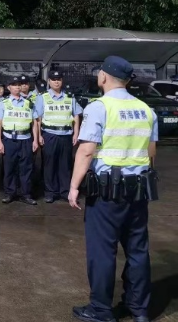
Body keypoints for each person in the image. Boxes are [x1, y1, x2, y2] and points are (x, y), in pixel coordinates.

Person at [69, 56, 157, 322]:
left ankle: (100, 309)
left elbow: (86, 151)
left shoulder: (100, 107)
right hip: (138, 191)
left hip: (107, 194)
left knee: (103, 251)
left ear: (104, 77)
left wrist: (74, 187)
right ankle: (139, 309)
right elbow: (151, 154)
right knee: (138, 250)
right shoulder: (146, 109)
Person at [35, 70, 83, 203]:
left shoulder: (69, 97)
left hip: (66, 135)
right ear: (49, 81)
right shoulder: (43, 97)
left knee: (65, 165)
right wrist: (39, 136)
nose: (56, 81)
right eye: (53, 79)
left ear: (62, 81)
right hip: (49, 134)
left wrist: (76, 132)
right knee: (49, 165)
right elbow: (37, 118)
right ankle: (50, 192)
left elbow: (76, 114)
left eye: (59, 79)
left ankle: (64, 191)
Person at [0, 76, 39, 205]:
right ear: (8, 87)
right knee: (9, 168)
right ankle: (10, 193)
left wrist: (35, 140)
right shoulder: (3, 104)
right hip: (9, 140)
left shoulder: (29, 103)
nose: (17, 87)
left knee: (26, 168)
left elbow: (34, 124)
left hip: (26, 140)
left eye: (19, 85)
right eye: (14, 85)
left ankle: (26, 194)